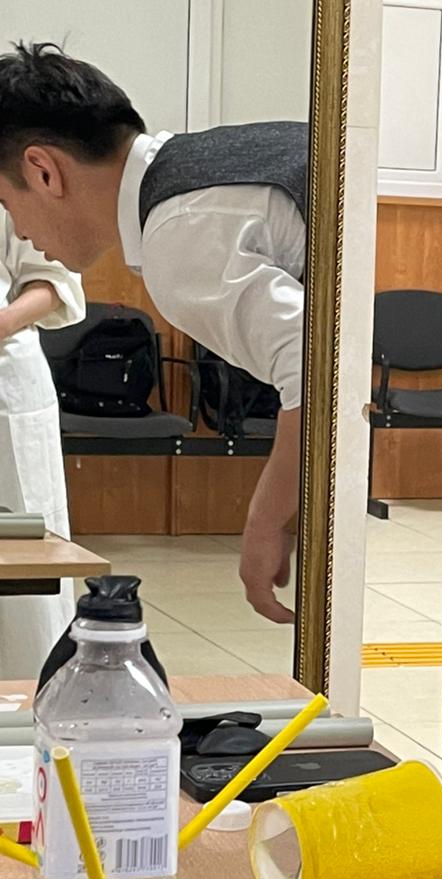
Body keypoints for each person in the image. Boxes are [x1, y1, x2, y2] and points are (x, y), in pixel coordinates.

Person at [0, 42, 306, 624]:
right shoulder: (212, 164)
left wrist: (266, 520)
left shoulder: (179, 235)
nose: (18, 230)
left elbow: (321, 373)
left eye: (5, 202)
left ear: (43, 171)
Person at [0, 206, 84, 676]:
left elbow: (52, 278)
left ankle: (33, 691)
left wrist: (4, 322)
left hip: (5, 376)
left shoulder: (11, 174)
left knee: (25, 546)